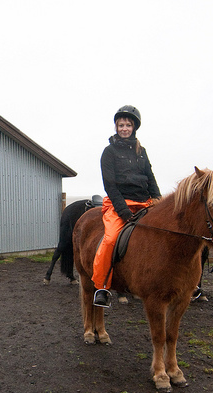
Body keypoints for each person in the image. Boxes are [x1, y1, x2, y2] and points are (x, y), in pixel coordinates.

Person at [92, 105, 161, 307]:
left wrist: (158, 199)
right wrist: (123, 211)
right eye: (121, 125)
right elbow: (110, 185)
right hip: (119, 203)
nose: (124, 128)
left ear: (134, 128)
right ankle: (102, 287)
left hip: (144, 203)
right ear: (116, 127)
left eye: (128, 125)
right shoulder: (109, 152)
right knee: (111, 239)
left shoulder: (142, 151)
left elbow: (150, 177)